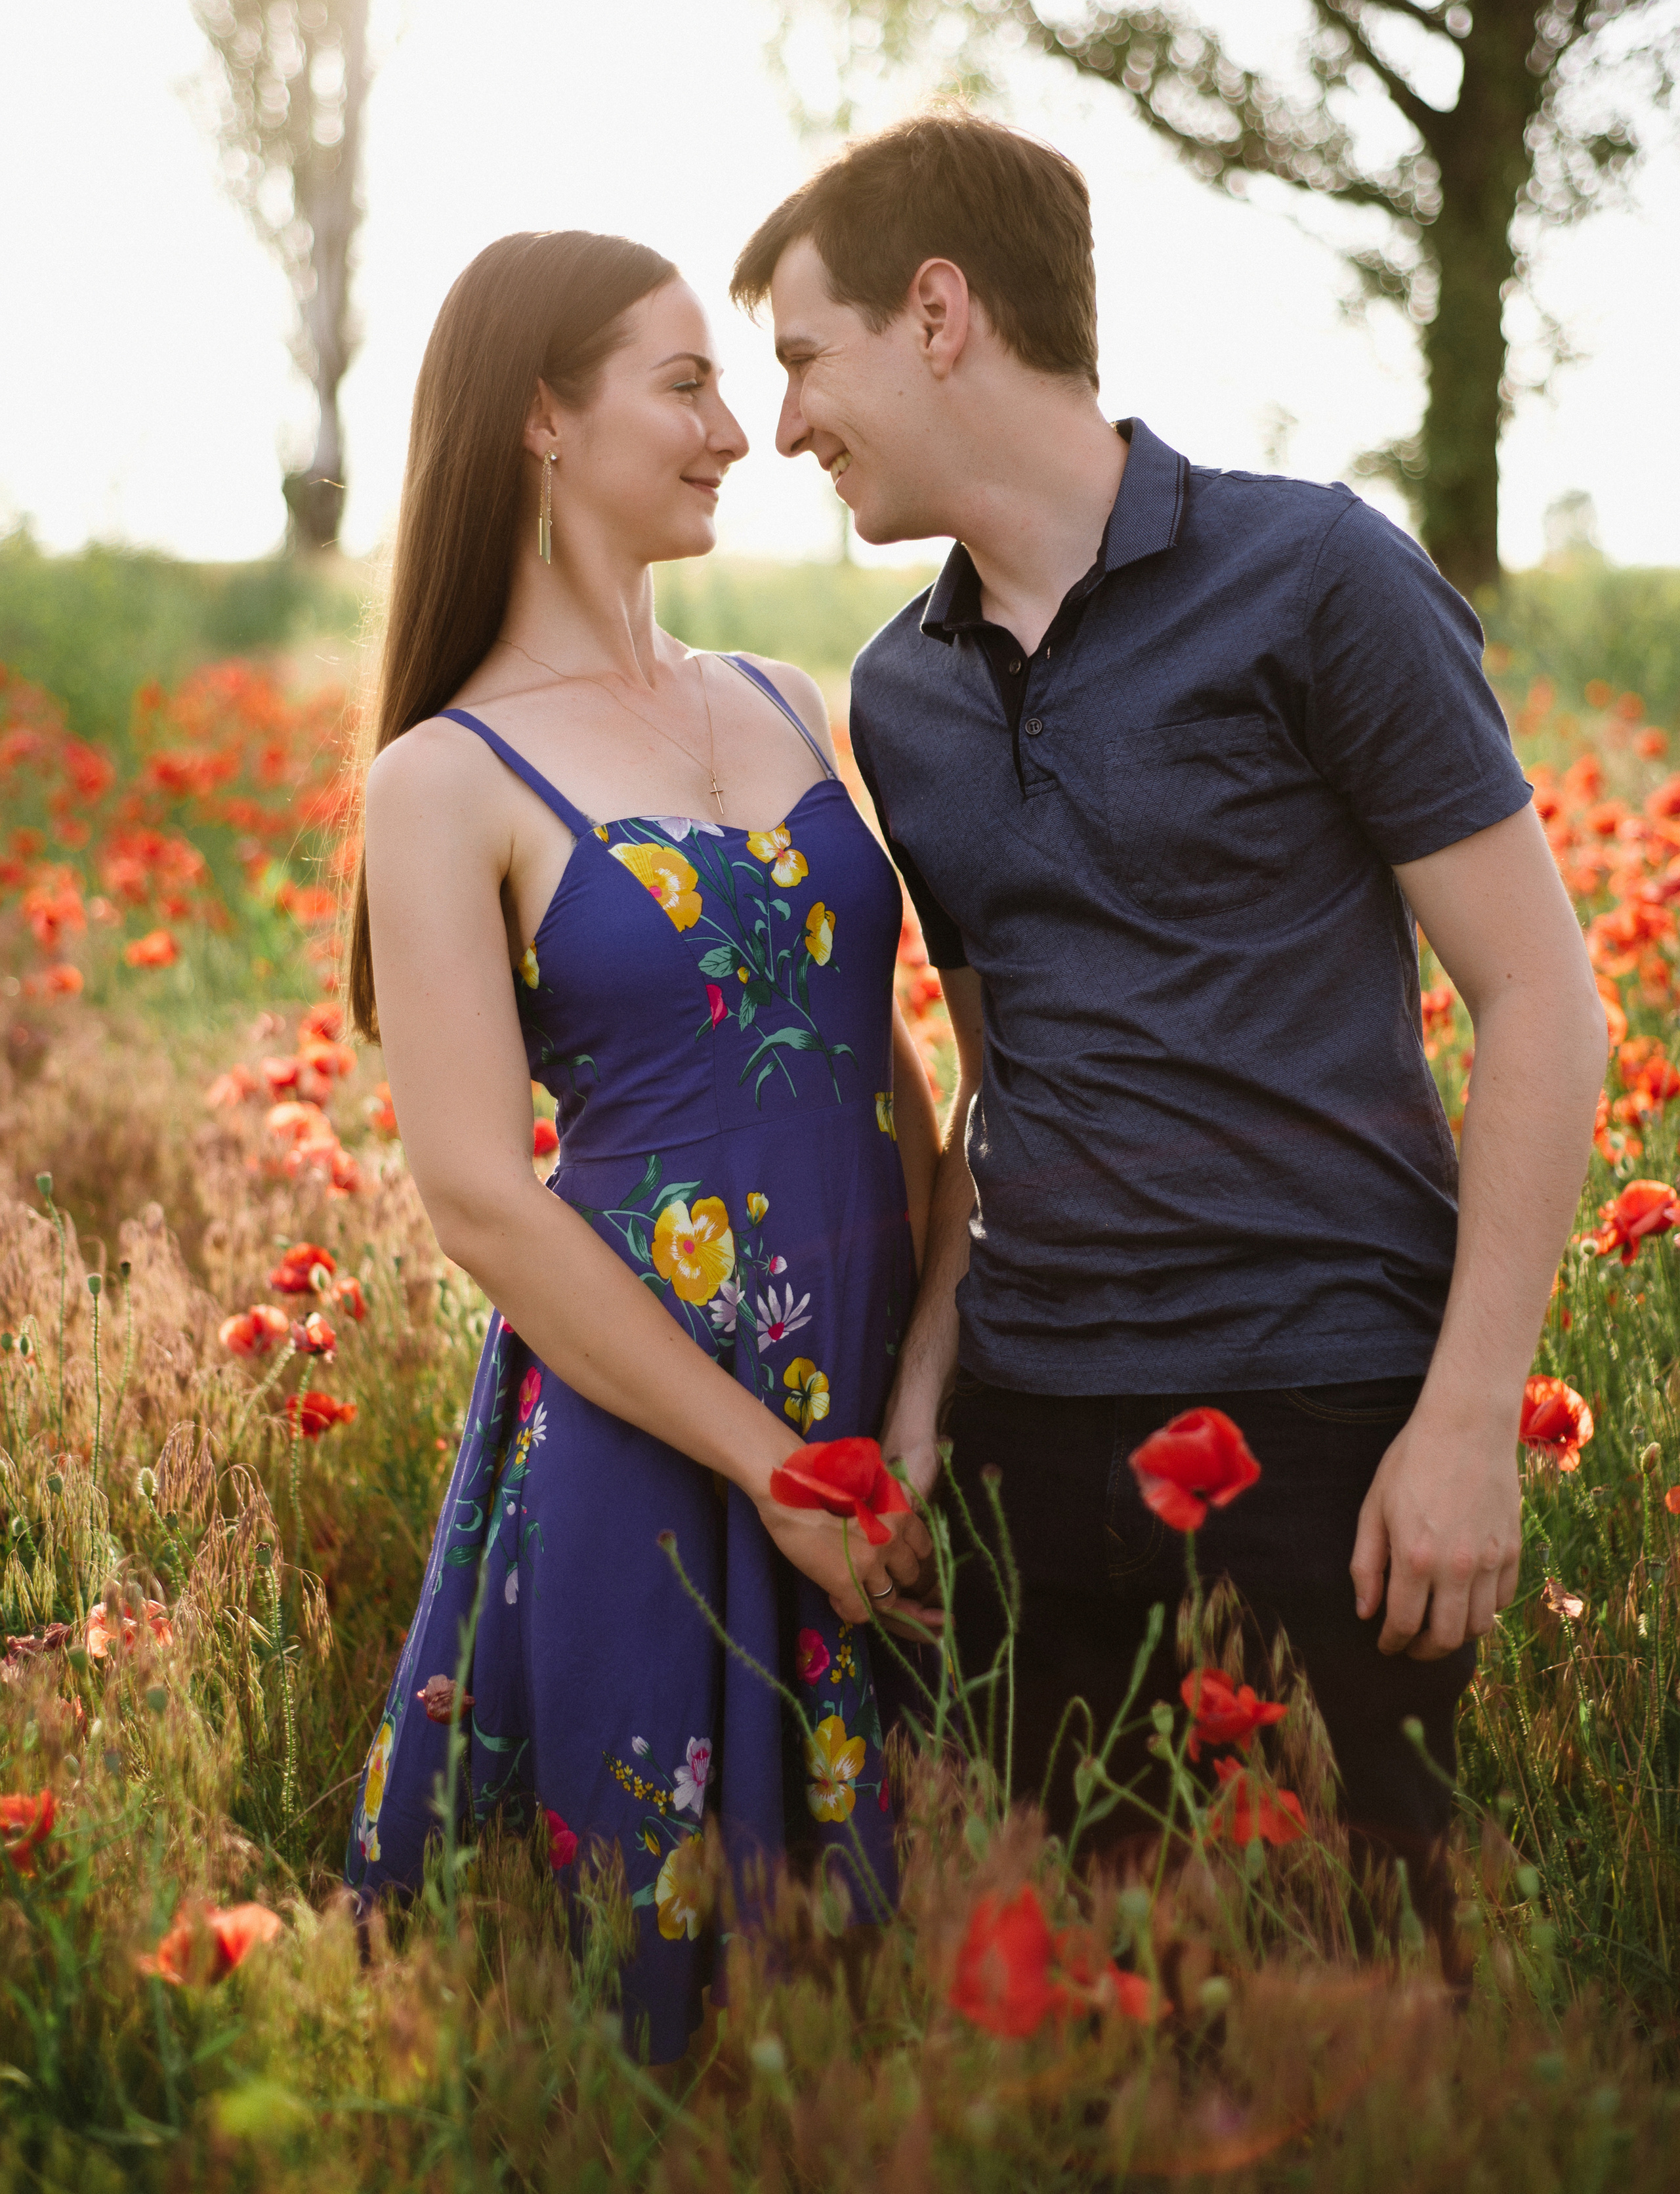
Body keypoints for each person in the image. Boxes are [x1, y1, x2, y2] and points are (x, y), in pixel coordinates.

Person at [729, 114, 1607, 1935]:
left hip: (1323, 1423)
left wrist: (1466, 1419)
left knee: (1357, 1996)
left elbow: (1540, 995)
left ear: (940, 313)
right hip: (1030, 1440)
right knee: (1082, 2008)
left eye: (807, 356)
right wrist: (923, 1396)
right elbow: (999, 1082)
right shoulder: (900, 695)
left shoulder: (1319, 576)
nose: (789, 423)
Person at [341, 229, 938, 2064]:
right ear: (542, 416)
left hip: (886, 1408)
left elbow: (892, 1070)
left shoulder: (781, 698)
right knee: (657, 2018)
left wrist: (927, 1391)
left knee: (913, 1981)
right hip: (661, 1432)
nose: (735, 433)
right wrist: (773, 1468)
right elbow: (477, 1196)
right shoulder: (445, 777)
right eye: (684, 387)